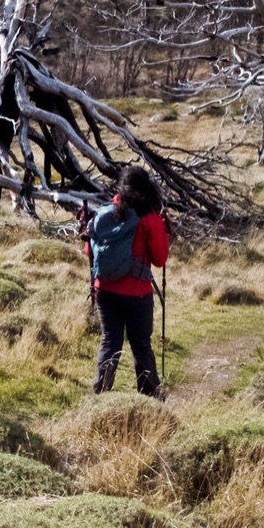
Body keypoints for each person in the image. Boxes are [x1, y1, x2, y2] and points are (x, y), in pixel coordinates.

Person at [84, 164, 169, 397]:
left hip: (104, 290)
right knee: (140, 345)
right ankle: (150, 398)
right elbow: (160, 258)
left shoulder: (106, 213)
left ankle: (100, 393)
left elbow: (89, 250)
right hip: (136, 294)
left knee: (111, 342)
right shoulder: (148, 217)